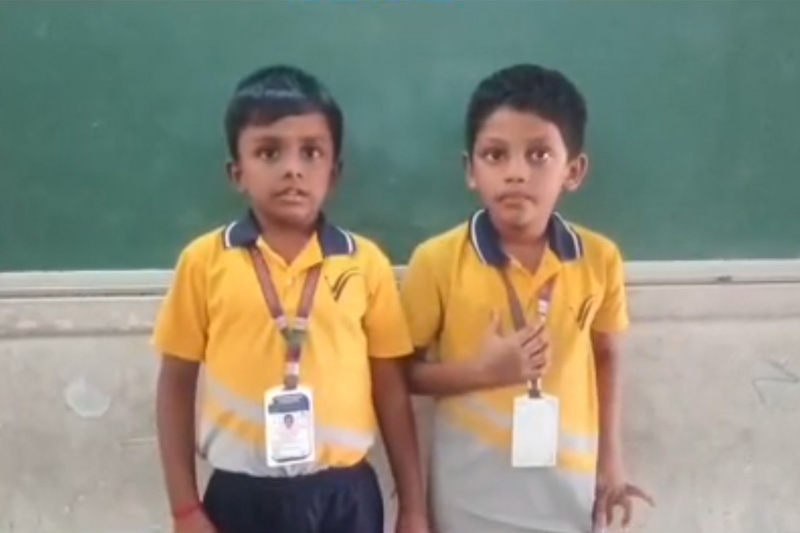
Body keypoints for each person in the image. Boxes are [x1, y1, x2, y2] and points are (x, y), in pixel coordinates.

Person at [153, 65, 428, 533]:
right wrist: (184, 508)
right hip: (240, 495)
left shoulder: (365, 263)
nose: (292, 169)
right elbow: (175, 386)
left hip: (345, 496)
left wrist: (414, 509)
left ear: (334, 173)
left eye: (311, 152)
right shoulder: (204, 262)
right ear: (237, 173)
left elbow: (391, 390)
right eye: (268, 152)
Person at [400, 64, 654, 533]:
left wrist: (612, 461)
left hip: (568, 486)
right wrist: (481, 372)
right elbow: (400, 374)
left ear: (573, 171)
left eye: (539, 155)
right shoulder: (436, 261)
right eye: (495, 155)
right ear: (470, 169)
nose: (516, 173)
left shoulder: (599, 259)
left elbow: (606, 355)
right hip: (470, 491)